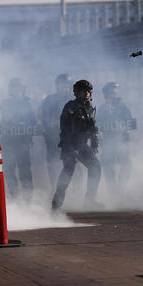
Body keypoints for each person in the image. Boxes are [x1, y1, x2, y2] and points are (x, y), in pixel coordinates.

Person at [52, 79, 102, 210]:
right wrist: (69, 148)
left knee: (95, 166)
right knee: (68, 172)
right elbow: (65, 128)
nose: (86, 94)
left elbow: (91, 126)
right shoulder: (70, 106)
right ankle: (56, 205)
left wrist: (94, 139)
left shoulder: (89, 107)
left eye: (88, 92)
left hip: (82, 144)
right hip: (70, 144)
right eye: (83, 91)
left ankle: (90, 200)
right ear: (77, 92)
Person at [0, 78, 36, 201]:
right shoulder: (5, 104)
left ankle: (28, 198)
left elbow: (33, 122)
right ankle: (15, 197)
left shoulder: (27, 104)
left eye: (19, 88)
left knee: (25, 171)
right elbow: (3, 121)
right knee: (9, 170)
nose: (16, 91)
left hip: (23, 143)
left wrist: (24, 125)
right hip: (9, 143)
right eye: (14, 88)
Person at [96, 82, 134, 193]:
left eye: (115, 93)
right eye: (111, 93)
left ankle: (121, 187)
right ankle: (113, 190)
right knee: (109, 166)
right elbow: (97, 126)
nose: (114, 95)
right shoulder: (102, 109)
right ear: (106, 94)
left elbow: (130, 122)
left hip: (121, 141)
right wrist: (101, 138)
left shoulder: (123, 107)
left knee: (126, 164)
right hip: (108, 142)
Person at [39, 73, 72, 190]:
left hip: (71, 140)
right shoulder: (49, 100)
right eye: (61, 85)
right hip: (54, 139)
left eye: (67, 85)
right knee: (53, 165)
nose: (64, 87)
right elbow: (43, 118)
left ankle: (76, 191)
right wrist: (51, 126)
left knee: (73, 166)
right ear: (57, 86)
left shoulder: (75, 100)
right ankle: (55, 190)